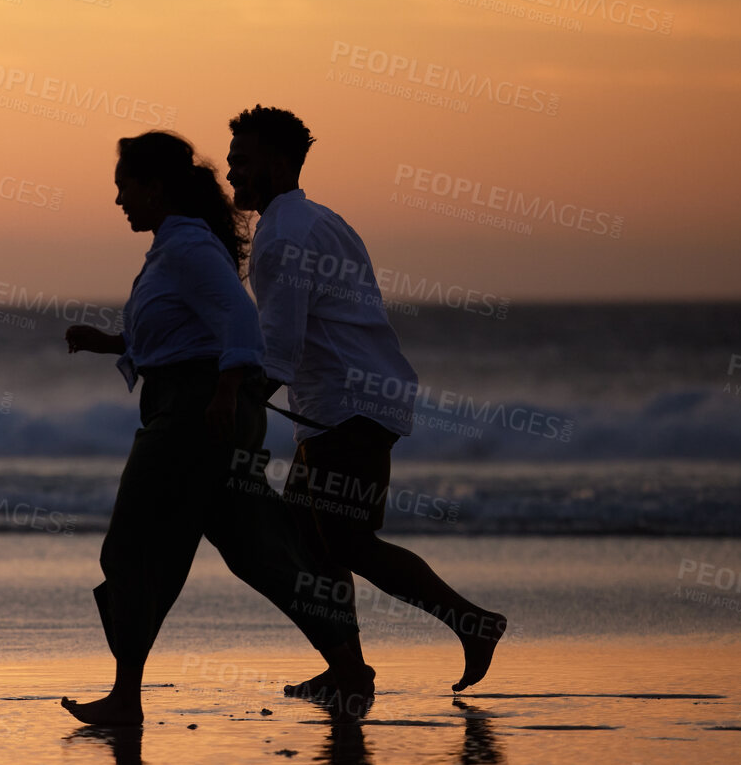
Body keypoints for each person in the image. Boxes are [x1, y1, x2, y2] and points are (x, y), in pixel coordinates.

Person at [61, 131, 367, 727]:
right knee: (259, 552)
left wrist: (226, 393)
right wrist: (113, 344)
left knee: (133, 548)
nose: (119, 201)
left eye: (125, 188)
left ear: (155, 188)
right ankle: (349, 665)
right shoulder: (178, 246)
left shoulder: (187, 248)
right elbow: (189, 331)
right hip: (200, 411)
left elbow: (241, 325)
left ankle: (127, 697)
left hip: (193, 418)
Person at [226, 105, 507, 694]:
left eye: (243, 163)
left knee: (347, 541)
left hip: (347, 409)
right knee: (311, 538)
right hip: (344, 405)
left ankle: (473, 623)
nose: (232, 175)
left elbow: (278, 349)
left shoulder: (281, 236)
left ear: (278, 165)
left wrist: (233, 402)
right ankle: (347, 670)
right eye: (231, 163)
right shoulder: (321, 220)